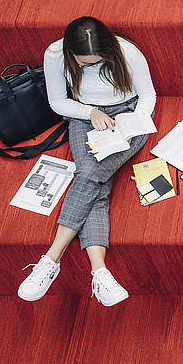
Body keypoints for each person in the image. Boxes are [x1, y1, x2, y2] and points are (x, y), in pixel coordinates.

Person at [17, 17, 156, 307]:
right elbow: (58, 102)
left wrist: (133, 124)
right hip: (84, 114)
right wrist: (90, 112)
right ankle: (100, 272)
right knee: (95, 181)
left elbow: (148, 96)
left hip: (127, 115)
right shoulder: (56, 55)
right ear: (70, 54)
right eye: (84, 64)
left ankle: (50, 260)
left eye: (97, 62)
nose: (91, 68)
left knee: (91, 175)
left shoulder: (127, 53)